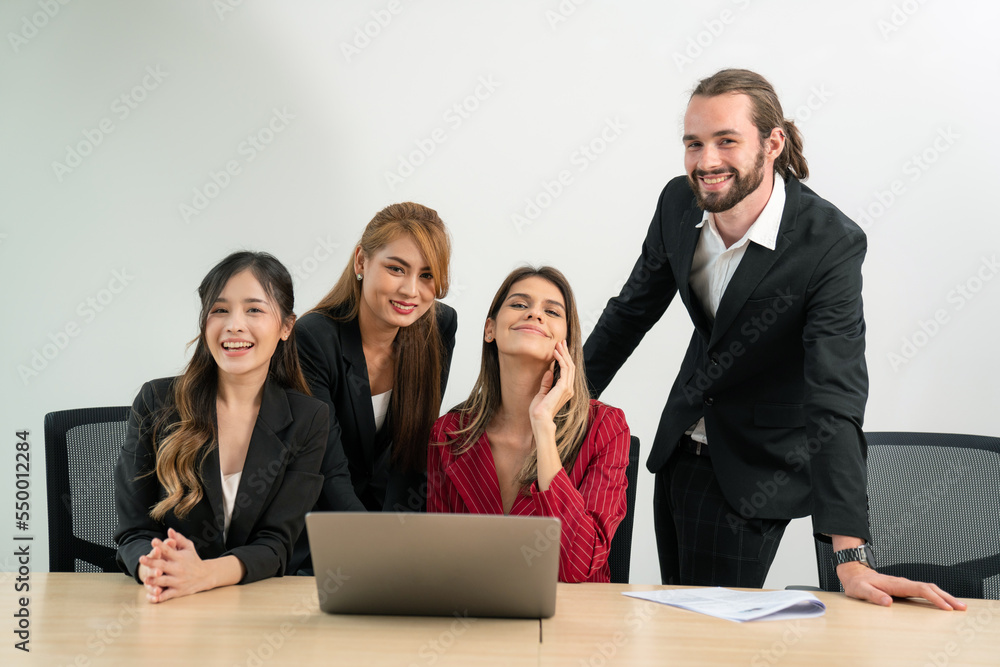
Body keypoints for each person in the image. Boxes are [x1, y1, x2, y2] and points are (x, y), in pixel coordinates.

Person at [583, 69, 965, 610]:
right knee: (683, 625)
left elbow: (834, 395)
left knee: (711, 637)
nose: (706, 161)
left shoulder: (827, 245)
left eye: (726, 141)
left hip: (755, 470)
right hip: (679, 449)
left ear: (773, 142)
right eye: (693, 144)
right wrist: (562, 404)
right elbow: (629, 314)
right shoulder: (678, 203)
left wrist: (849, 555)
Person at [114, 251, 328, 603]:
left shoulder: (308, 419)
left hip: (253, 609)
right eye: (220, 310)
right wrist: (151, 566)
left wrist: (203, 574)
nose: (234, 325)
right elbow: (132, 532)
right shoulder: (157, 401)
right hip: (165, 601)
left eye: (254, 309)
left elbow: (276, 545)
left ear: (286, 326)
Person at [428, 266, 630, 583]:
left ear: (566, 341)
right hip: (473, 620)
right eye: (520, 304)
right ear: (490, 329)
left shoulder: (606, 426)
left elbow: (575, 568)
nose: (535, 314)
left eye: (551, 311)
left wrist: (543, 428)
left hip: (573, 622)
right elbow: (439, 561)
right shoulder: (450, 433)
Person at [290, 202, 457, 570]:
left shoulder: (439, 326)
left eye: (427, 276)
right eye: (396, 268)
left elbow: (412, 450)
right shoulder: (314, 338)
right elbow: (326, 466)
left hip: (393, 530)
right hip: (317, 538)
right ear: (361, 262)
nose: (411, 290)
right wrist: (374, 546)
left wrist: (399, 541)